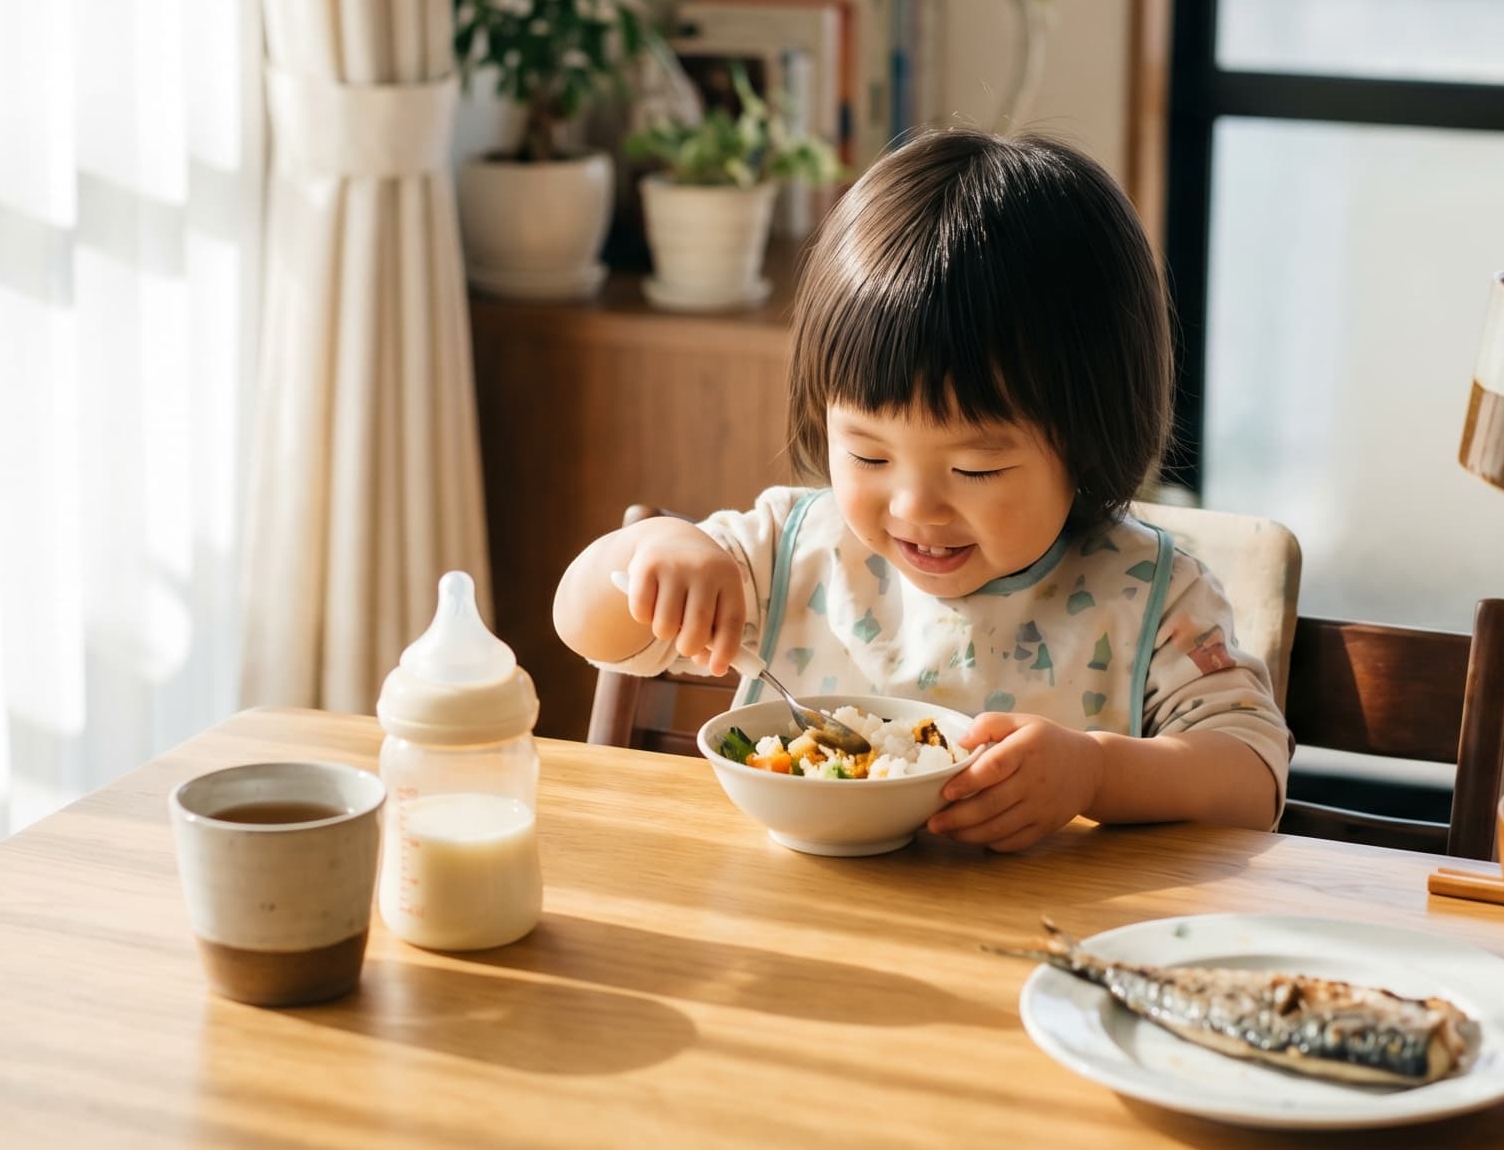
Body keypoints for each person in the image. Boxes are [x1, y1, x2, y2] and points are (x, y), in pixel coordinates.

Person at [552, 130, 1290, 850]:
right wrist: (662, 553)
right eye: (869, 456)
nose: (915, 508)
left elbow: (1252, 781)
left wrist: (1097, 773)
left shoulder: (1152, 599)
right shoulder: (787, 551)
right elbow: (583, 626)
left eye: (975, 471)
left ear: (1090, 437)